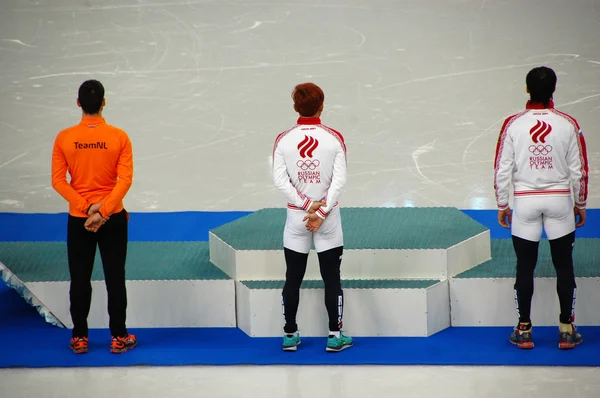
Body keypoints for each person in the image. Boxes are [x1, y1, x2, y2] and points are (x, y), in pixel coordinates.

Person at [494, 66, 589, 350]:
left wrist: (502, 203)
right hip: (560, 200)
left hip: (525, 202)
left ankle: (524, 329)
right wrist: (580, 203)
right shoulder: (568, 123)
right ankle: (566, 328)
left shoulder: (513, 124)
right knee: (564, 266)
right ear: (554, 90)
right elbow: (580, 171)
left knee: (525, 266)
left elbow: (502, 169)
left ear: (527, 89)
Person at [51, 80, 137, 354]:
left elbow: (58, 181)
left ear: (78, 103)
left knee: (79, 278)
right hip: (112, 218)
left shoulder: (64, 138)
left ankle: (79, 337)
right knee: (115, 278)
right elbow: (125, 180)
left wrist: (86, 207)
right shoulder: (119, 137)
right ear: (104, 102)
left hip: (79, 220)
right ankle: (119, 337)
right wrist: (104, 210)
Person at [272, 82, 352, 352]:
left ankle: (290, 334)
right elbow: (339, 181)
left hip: (297, 219)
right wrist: (320, 211)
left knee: (292, 277)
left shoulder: (283, 140)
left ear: (296, 107)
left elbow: (280, 181)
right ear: (322, 105)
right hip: (328, 218)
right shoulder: (334, 138)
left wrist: (306, 205)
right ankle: (334, 335)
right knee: (332, 278)